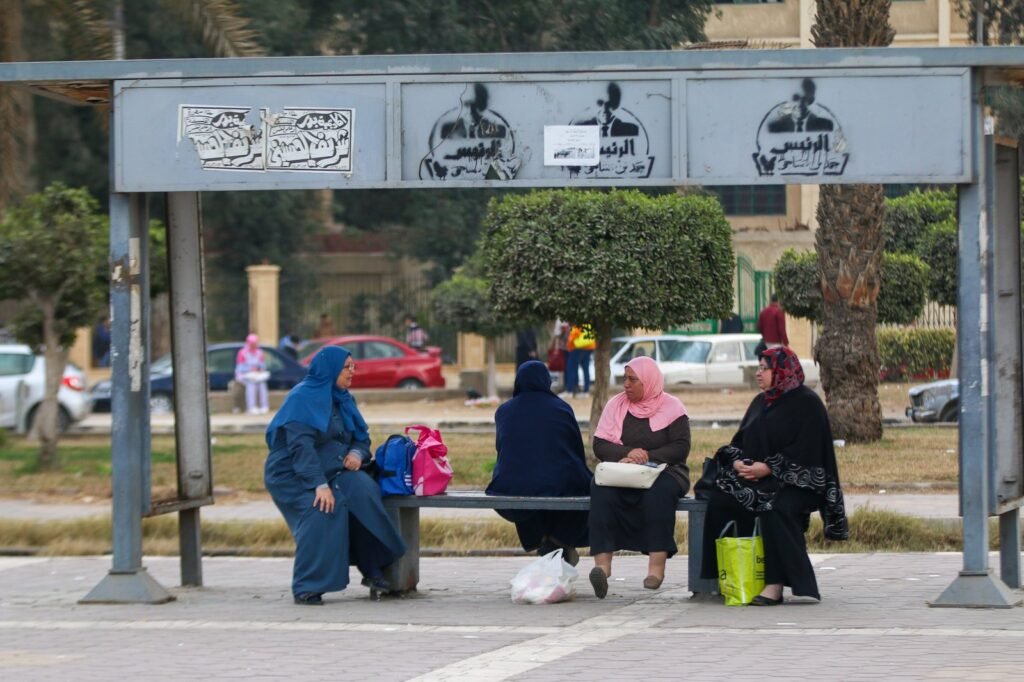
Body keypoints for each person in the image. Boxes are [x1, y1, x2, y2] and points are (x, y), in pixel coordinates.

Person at [700, 346, 847, 605]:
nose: (758, 374)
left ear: (781, 370)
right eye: (758, 368)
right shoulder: (761, 403)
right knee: (721, 497)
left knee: (773, 507)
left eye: (764, 368)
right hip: (760, 479)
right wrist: (739, 463)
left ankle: (774, 584)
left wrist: (769, 468)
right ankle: (727, 575)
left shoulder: (807, 404)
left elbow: (809, 452)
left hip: (800, 483)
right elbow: (741, 441)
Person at [264, 346, 406, 605]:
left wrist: (356, 454)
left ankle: (373, 567)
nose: (353, 372)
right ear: (329, 369)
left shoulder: (343, 398)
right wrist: (318, 484)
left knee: (363, 490)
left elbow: (362, 438)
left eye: (354, 366)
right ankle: (308, 585)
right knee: (324, 508)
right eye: (347, 367)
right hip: (293, 475)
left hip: (334, 468)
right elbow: (300, 449)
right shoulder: (302, 398)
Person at [588, 356, 691, 598]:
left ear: (649, 381)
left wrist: (647, 457)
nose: (626, 384)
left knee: (658, 494)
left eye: (633, 380)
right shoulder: (616, 405)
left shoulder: (673, 407)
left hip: (666, 470)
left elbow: (680, 448)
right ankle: (602, 568)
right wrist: (627, 453)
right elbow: (600, 445)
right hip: (623, 470)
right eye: (625, 378)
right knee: (600, 490)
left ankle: (656, 569)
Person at [486, 360, 592, 564]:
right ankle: (559, 539)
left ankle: (542, 540)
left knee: (524, 483)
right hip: (559, 481)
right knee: (584, 485)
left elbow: (502, 450)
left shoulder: (504, 411)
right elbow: (576, 450)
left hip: (510, 486)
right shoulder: (561, 408)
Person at [235, 334, 270, 415]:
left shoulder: (259, 352)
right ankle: (251, 407)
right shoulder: (242, 352)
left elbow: (262, 365)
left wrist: (260, 369)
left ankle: (264, 406)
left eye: (255, 343)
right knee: (251, 385)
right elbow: (239, 368)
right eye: (252, 343)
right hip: (245, 375)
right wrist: (249, 369)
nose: (254, 345)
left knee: (262, 384)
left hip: (256, 375)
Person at [564, 325, 595, 398]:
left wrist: (569, 345)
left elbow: (573, 336)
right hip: (589, 347)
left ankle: (570, 391)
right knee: (585, 369)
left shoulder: (577, 324)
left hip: (577, 348)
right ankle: (586, 391)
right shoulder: (589, 323)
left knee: (572, 368)